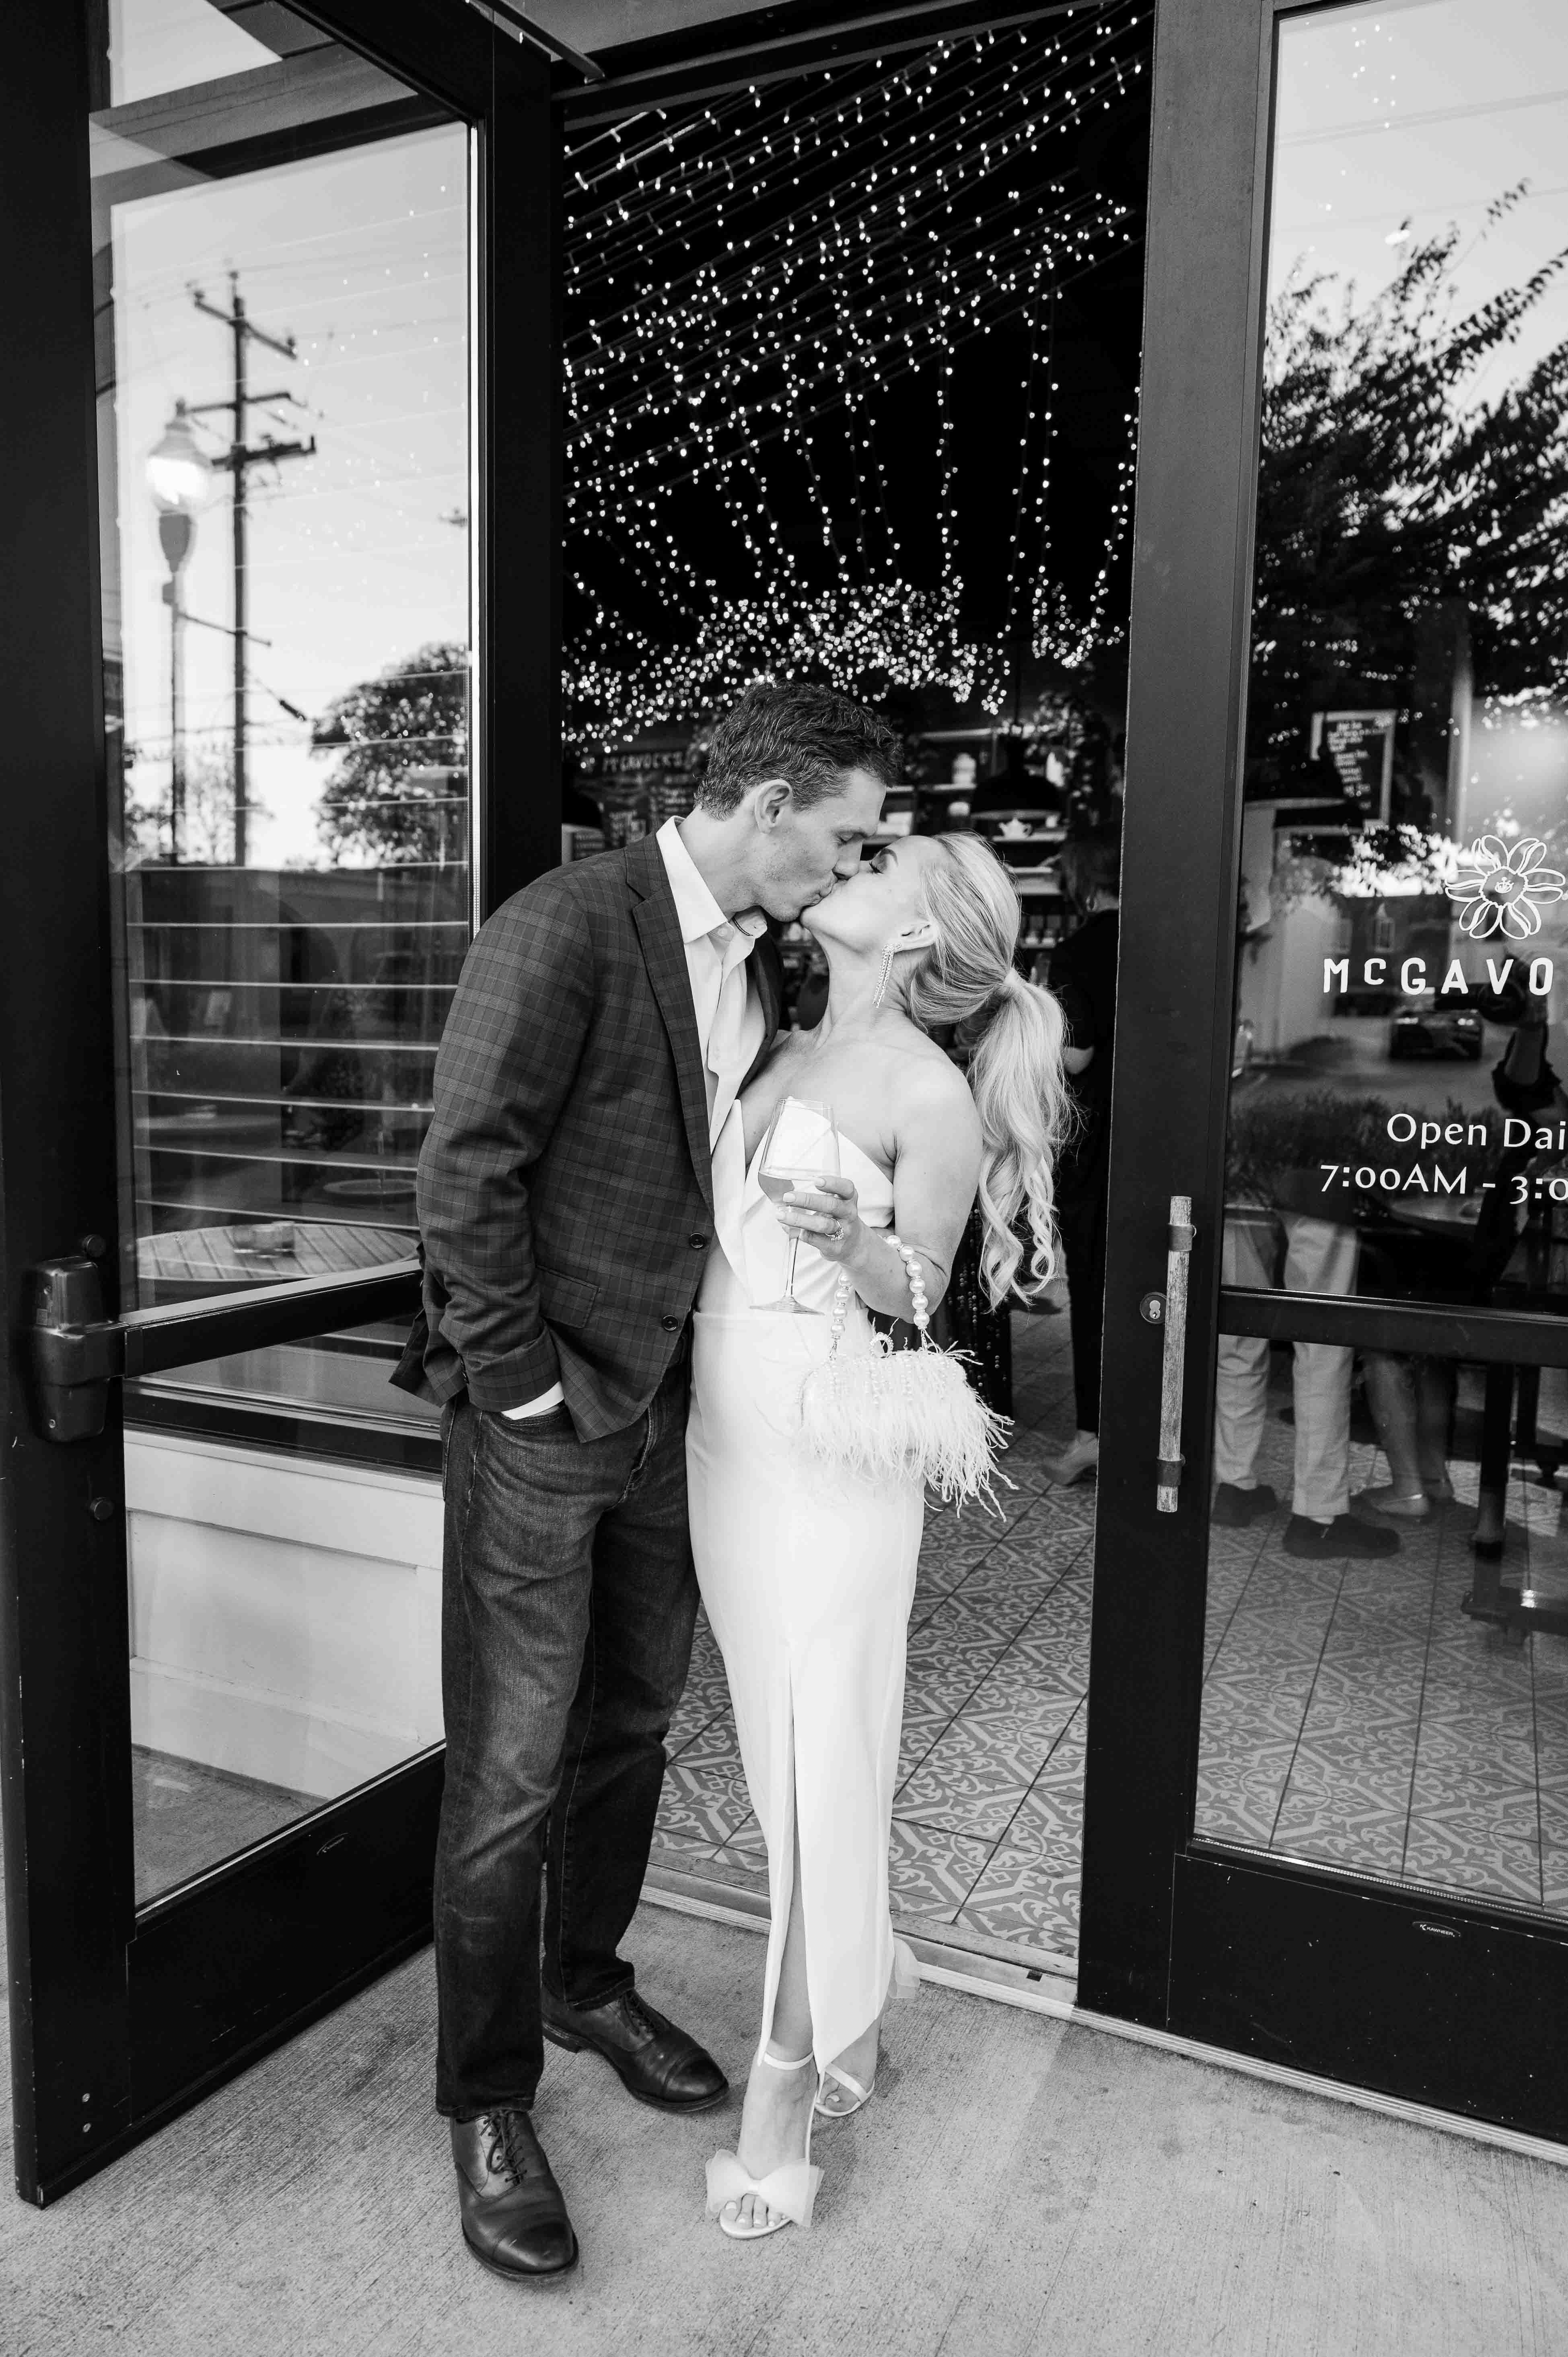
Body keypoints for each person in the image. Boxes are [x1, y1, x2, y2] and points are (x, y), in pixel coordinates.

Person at [396, 682, 896, 2281]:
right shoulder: (564, 922)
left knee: (627, 1724)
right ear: (763, 806)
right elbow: (462, 1171)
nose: (848, 863)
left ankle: (584, 1978)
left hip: (675, 1426)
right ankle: (483, 2097)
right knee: (508, 1774)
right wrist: (524, 1385)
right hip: (547, 1427)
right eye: (842, 834)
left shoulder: (766, 963)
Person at [690, 830, 1069, 2238]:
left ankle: (784, 2093)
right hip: (719, 1450)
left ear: (915, 936)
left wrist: (853, 1239)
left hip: (823, 1464)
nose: (854, 855)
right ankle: (860, 1990)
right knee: (779, 1749)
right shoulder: (766, 1034)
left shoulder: (926, 1087)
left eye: (885, 854)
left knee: (816, 1768)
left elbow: (919, 1292)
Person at [1041, 824, 1121, 1485]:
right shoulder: (1168, 942)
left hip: (1094, 1140)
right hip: (1159, 1137)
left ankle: (1094, 1434)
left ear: (1080, 882)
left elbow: (1076, 1053)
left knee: (1091, 1284)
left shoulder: (1074, 952)